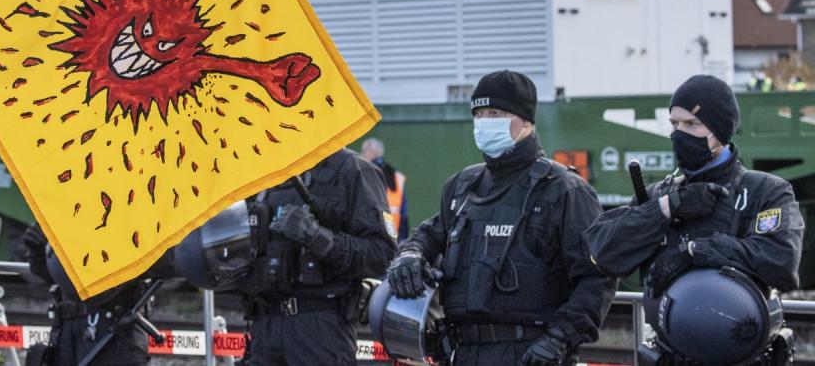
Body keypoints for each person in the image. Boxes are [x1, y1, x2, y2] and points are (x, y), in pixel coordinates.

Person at [386, 70, 616, 366]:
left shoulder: (564, 190)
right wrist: (410, 254)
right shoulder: (462, 187)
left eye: (495, 113)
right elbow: (428, 235)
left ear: (526, 121)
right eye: (478, 114)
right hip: (463, 352)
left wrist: (559, 340)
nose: (484, 123)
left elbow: (598, 277)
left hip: (530, 354)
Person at [583, 75, 804, 364]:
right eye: (674, 124)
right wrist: (665, 209)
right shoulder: (662, 195)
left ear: (720, 132)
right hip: (672, 354)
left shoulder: (765, 192)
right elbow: (600, 250)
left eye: (692, 125)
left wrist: (694, 252)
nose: (678, 134)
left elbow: (781, 261)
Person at [238, 148, 397, 365]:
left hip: (320, 328)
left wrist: (317, 237)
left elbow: (382, 254)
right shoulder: (264, 171)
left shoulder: (352, 170)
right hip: (264, 326)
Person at [22, 224, 178, 366]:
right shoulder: (65, 207)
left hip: (114, 331)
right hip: (68, 330)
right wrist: (39, 252)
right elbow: (54, 275)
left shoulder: (129, 209)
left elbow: (166, 262)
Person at [360, 137, 409, 240]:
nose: (361, 155)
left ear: (371, 151)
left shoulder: (365, 173)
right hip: (395, 235)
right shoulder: (396, 175)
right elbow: (404, 214)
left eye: (363, 151)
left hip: (373, 237)